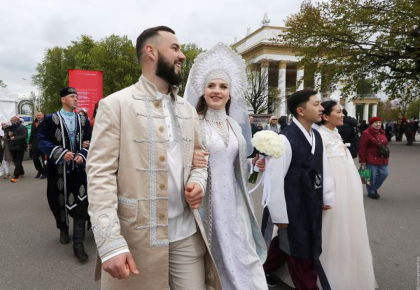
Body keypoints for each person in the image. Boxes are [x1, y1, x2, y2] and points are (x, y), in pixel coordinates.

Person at [86, 26, 220, 290]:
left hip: (186, 233)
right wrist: (109, 243)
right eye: (175, 48)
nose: (182, 55)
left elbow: (199, 161)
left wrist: (198, 183)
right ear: (151, 51)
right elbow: (100, 175)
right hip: (138, 238)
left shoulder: (187, 109)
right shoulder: (116, 104)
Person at [185, 43, 268, 290]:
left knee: (244, 251)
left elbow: (236, 163)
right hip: (206, 199)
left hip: (234, 200)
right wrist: (189, 160)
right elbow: (179, 158)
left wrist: (254, 164)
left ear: (231, 92)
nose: (217, 91)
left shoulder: (234, 124)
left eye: (223, 86)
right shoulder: (194, 124)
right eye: (211, 86)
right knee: (212, 256)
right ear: (202, 91)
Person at [262, 89, 335, 290]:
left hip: (312, 202)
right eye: (316, 104)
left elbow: (324, 168)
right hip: (293, 205)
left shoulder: (317, 136)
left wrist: (327, 195)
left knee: (296, 242)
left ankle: (264, 268)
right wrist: (279, 215)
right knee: (300, 249)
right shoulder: (285, 139)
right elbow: (275, 180)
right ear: (300, 111)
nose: (322, 108)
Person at [317, 100, 376, 289]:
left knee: (348, 224)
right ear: (326, 116)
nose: (343, 115)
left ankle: (348, 267)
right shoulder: (319, 135)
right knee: (332, 224)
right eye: (338, 112)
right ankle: (329, 271)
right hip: (334, 185)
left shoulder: (335, 132)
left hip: (347, 186)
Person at [38, 87, 91, 261]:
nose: (76, 99)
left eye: (76, 96)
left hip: (79, 170)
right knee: (58, 199)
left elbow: (91, 140)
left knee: (81, 202)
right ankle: (62, 227)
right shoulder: (50, 119)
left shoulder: (83, 120)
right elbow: (41, 140)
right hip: (59, 170)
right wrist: (59, 152)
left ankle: (78, 244)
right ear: (63, 99)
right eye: (72, 96)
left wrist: (83, 154)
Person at [358, 117, 389, 199]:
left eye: (379, 122)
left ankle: (373, 188)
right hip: (371, 158)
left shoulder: (382, 132)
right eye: (376, 122)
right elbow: (362, 147)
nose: (378, 124)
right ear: (371, 124)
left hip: (383, 158)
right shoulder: (366, 133)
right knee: (372, 176)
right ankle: (371, 191)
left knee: (384, 173)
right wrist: (362, 160)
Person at [8, 116, 28, 183]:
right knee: (15, 162)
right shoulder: (12, 127)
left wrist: (15, 137)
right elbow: (7, 132)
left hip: (20, 147)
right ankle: (21, 172)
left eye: (12, 121)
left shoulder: (23, 127)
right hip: (13, 147)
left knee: (18, 162)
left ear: (17, 120)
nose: (12, 122)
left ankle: (16, 176)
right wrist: (9, 134)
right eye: (11, 121)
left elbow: (25, 136)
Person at [28, 111, 47, 179]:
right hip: (35, 144)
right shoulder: (34, 123)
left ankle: (45, 173)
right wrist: (30, 143)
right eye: (37, 115)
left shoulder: (46, 122)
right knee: (35, 158)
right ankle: (40, 170)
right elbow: (32, 134)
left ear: (43, 115)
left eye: (40, 115)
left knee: (44, 159)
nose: (38, 116)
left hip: (44, 144)